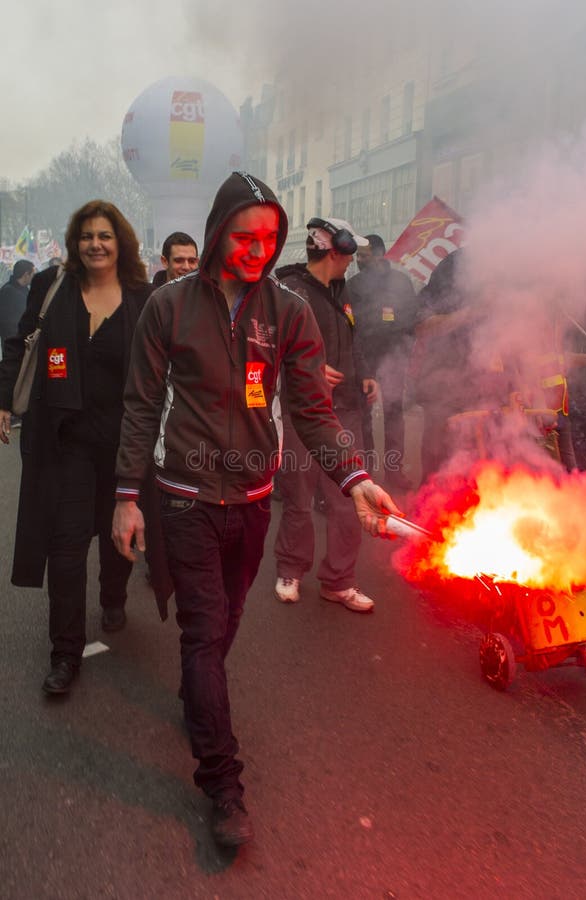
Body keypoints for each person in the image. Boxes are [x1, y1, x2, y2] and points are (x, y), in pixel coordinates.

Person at [111, 172, 398, 847]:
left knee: (228, 622)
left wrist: (354, 477)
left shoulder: (289, 311)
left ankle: (197, 693)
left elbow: (312, 412)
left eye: (268, 239)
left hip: (252, 499)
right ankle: (222, 784)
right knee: (204, 632)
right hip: (184, 495)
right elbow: (140, 406)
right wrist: (128, 497)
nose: (255, 250)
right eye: (243, 236)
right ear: (216, 235)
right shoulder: (170, 306)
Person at [0, 200, 152, 696]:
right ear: (75, 242)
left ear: (120, 241)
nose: (95, 244)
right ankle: (65, 652)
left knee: (117, 537)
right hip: (64, 443)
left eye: (104, 235)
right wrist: (4, 400)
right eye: (86, 235)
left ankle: (113, 595)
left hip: (123, 444)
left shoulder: (142, 297)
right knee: (64, 549)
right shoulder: (51, 287)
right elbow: (20, 343)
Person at [273, 216, 380, 613]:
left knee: (348, 498)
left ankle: (339, 580)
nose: (354, 260)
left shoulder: (342, 290)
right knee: (299, 497)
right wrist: (309, 369)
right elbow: (267, 349)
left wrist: (365, 373)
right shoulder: (289, 291)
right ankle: (290, 569)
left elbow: (355, 336)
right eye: (350, 251)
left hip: (346, 410)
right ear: (334, 249)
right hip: (303, 412)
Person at [348, 234, 419, 490]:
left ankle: (394, 472)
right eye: (357, 256)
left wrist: (404, 348)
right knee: (362, 417)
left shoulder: (401, 282)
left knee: (393, 414)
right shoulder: (353, 285)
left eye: (364, 256)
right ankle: (363, 472)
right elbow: (348, 324)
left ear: (379, 255)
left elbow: (413, 317)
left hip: (394, 355)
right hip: (364, 358)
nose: (359, 261)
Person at [0, 259, 35, 355]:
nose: (34, 277)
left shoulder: (24, 289)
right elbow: (8, 322)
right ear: (26, 274)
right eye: (32, 274)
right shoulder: (8, 291)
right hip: (13, 342)